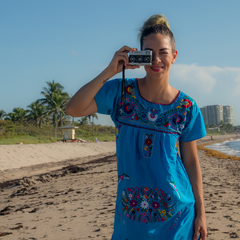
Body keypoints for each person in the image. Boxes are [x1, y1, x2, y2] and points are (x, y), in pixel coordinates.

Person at [66, 14, 207, 240]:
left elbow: (191, 163)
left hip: (178, 216)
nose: (156, 60)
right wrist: (111, 70)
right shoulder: (121, 93)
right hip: (131, 214)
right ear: (138, 55)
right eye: (149, 54)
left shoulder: (187, 108)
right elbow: (73, 108)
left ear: (174, 56)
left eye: (163, 52)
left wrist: (202, 213)